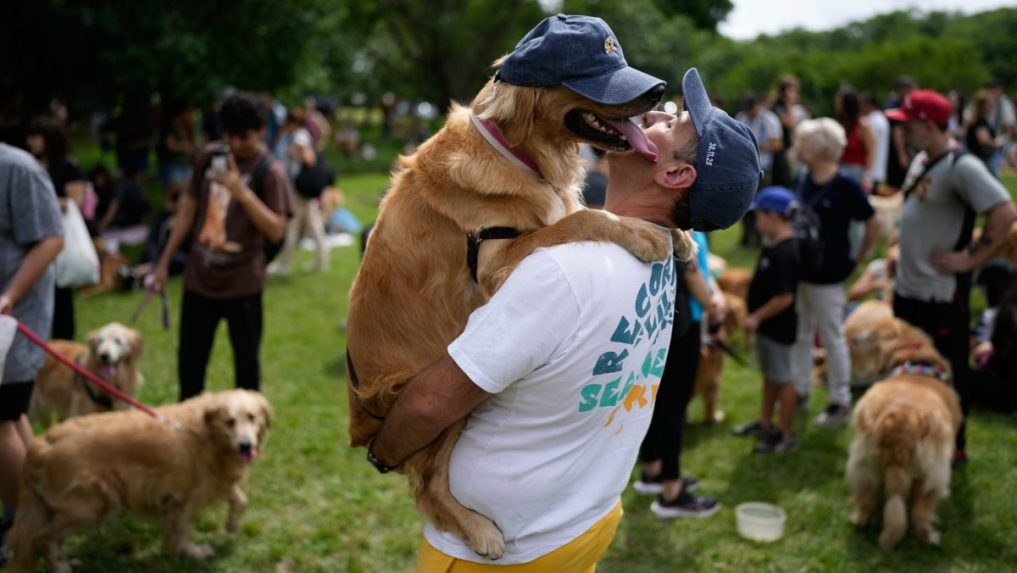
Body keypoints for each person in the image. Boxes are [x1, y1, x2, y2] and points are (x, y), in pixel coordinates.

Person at [368, 46, 761, 570]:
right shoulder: (664, 251)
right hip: (587, 521)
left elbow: (428, 405)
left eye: (674, 123)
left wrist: (383, 450)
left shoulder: (561, 274)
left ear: (673, 176)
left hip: (504, 552)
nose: (658, 111)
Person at [886, 89, 1017, 465]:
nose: (904, 131)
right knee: (909, 366)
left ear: (927, 126)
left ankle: (953, 446)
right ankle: (914, 434)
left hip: (940, 296)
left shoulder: (963, 166)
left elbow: (1005, 212)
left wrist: (970, 258)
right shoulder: (923, 160)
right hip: (909, 289)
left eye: (908, 124)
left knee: (950, 370)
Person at [152, 92, 292, 401]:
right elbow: (187, 209)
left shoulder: (271, 170)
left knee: (246, 374)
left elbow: (276, 230)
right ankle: (189, 438)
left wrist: (240, 191)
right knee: (190, 371)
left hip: (243, 285)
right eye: (229, 134)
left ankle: (247, 441)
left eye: (244, 135)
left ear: (260, 131)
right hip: (199, 280)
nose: (235, 142)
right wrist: (162, 263)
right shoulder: (208, 156)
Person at [789, 118, 879, 428]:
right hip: (801, 268)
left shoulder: (846, 186)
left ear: (820, 149)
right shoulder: (802, 179)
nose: (798, 149)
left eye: (803, 144)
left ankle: (839, 399)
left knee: (831, 335)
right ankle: (800, 389)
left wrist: (858, 259)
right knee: (800, 332)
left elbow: (873, 222)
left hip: (829, 273)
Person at [0, 143, 64, 566]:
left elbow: (52, 239)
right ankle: (42, 517)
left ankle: (23, 528)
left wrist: (8, 295)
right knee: (12, 415)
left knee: (0, 420)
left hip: (12, 319)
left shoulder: (17, 168)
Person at [633, 230, 727, 518]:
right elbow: (691, 271)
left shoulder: (659, 218)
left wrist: (716, 294)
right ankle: (671, 492)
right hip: (682, 322)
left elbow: (702, 269)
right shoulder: (683, 223)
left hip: (658, 320)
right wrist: (713, 308)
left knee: (656, 400)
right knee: (674, 406)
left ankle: (653, 471)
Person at [732, 186, 800, 453]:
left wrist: (756, 318)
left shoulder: (785, 252)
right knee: (771, 376)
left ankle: (785, 434)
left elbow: (785, 298)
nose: (756, 222)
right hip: (769, 329)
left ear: (773, 216)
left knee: (783, 379)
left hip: (778, 328)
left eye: (759, 216)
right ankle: (765, 423)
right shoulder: (774, 246)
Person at [25, 115, 86, 341]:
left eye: (35, 136)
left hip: (58, 237)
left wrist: (42, 200)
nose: (30, 142)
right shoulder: (29, 165)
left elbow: (75, 202)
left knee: (61, 295)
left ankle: (63, 343)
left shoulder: (68, 166)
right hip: (34, 236)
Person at [270, 128, 331, 274]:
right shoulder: (300, 149)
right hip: (302, 196)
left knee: (293, 229)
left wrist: (296, 154)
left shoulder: (303, 151)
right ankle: (321, 261)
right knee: (314, 228)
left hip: (300, 197)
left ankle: (285, 265)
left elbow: (306, 163)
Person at [736, 93, 782, 247]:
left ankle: (760, 237)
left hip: (763, 168)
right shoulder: (742, 117)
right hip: (744, 167)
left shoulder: (769, 120)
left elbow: (777, 144)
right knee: (744, 202)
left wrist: (754, 144)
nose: (749, 112)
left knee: (761, 203)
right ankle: (748, 234)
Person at [835, 87, 877, 190]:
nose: (837, 106)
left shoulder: (862, 125)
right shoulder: (840, 124)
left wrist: (867, 176)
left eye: (839, 103)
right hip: (839, 170)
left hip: (857, 172)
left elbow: (871, 151)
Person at [860, 92, 890, 194]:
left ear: (869, 105)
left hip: (870, 171)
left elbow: (868, 147)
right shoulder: (882, 119)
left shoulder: (870, 121)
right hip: (879, 170)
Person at [965, 89, 999, 170]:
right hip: (982, 159)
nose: (992, 107)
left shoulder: (974, 120)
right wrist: (997, 144)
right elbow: (983, 140)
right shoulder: (980, 121)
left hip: (975, 158)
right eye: (990, 104)